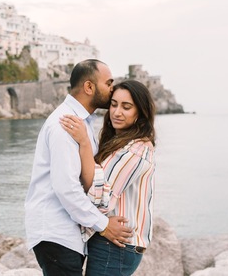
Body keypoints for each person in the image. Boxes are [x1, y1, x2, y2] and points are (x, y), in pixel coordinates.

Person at [24, 59, 133, 276]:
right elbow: (66, 188)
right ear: (89, 87)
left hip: (64, 234)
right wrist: (103, 225)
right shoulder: (66, 124)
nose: (112, 89)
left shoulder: (81, 123)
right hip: (56, 233)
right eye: (108, 83)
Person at [59, 79, 156, 276]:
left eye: (126, 107)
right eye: (114, 104)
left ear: (140, 113)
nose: (117, 112)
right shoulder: (119, 142)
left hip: (116, 243)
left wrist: (84, 142)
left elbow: (101, 196)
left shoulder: (136, 150)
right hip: (110, 241)